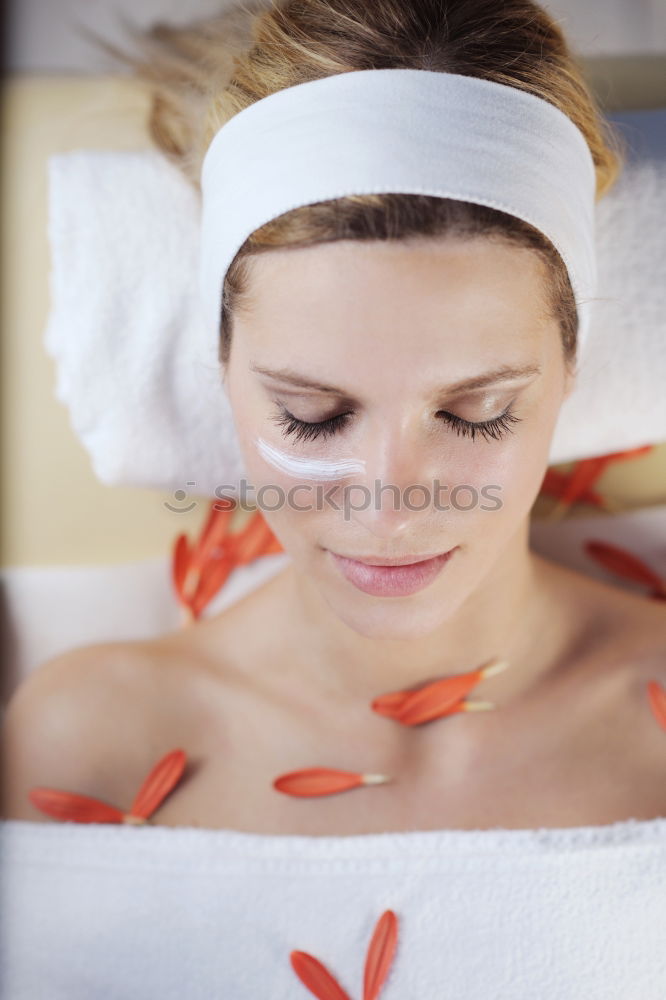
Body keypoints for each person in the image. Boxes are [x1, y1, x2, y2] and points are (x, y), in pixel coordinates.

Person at [3, 0, 666, 853]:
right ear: (223, 368)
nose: (388, 507)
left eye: (477, 412)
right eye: (314, 416)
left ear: (571, 366)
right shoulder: (85, 742)